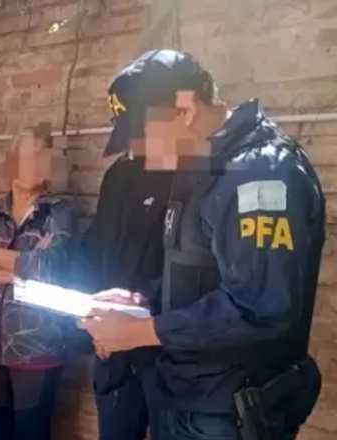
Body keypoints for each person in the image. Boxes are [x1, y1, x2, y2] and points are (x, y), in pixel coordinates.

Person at [80, 49, 325, 440]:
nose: (137, 151)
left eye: (143, 134)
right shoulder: (200, 169)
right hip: (186, 397)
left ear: (185, 109)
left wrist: (141, 332)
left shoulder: (258, 174)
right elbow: (195, 275)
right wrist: (141, 302)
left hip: (229, 411)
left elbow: (260, 307)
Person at [0, 79, 178, 440]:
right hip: (111, 345)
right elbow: (95, 251)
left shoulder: (192, 178)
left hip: (167, 345)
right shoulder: (120, 175)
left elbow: (191, 272)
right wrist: (94, 322)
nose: (133, 144)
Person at [0, 126, 77, 440]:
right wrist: (19, 271)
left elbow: (50, 269)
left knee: (31, 432)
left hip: (37, 345)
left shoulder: (58, 214)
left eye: (41, 156)